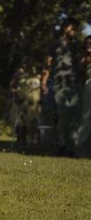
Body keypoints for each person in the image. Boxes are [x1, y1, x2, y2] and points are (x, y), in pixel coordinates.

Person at [42, 18, 82, 156]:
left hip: (75, 84)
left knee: (75, 116)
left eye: (76, 29)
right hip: (60, 84)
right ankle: (61, 145)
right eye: (72, 28)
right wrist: (44, 81)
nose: (75, 32)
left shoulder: (77, 46)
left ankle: (71, 147)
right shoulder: (55, 45)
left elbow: (80, 63)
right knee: (63, 114)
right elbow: (48, 64)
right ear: (65, 28)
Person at [75, 35, 91, 156]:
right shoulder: (83, 58)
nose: (88, 45)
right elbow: (80, 71)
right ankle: (83, 149)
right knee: (86, 120)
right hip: (88, 88)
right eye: (86, 43)